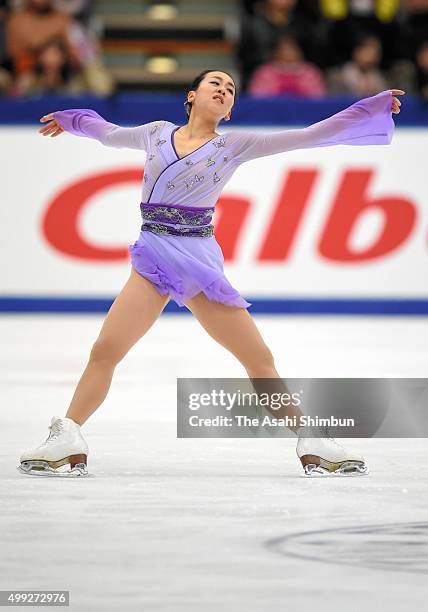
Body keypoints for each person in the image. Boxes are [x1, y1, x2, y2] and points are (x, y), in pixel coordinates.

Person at [17, 69, 405, 478]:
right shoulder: (155, 133)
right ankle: (69, 434)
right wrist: (72, 120)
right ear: (192, 95)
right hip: (153, 256)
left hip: (197, 261)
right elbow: (107, 132)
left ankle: (312, 440)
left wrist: (368, 109)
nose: (223, 90)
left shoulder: (234, 145)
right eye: (215, 84)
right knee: (105, 350)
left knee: (258, 360)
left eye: (231, 89)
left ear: (232, 108)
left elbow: (311, 134)